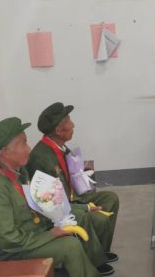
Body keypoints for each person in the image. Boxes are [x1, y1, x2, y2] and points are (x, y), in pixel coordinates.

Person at [0, 117, 124, 277]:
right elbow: (8, 239)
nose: (28, 148)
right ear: (6, 152)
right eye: (23, 143)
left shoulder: (18, 172)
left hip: (31, 232)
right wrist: (51, 233)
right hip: (10, 251)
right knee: (69, 245)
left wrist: (69, 213)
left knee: (76, 222)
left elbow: (40, 201)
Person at [27, 102, 120, 263]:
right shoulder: (40, 158)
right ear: (58, 130)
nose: (73, 125)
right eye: (69, 121)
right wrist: (85, 207)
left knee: (110, 198)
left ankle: (101, 251)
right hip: (58, 208)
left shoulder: (61, 148)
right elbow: (50, 203)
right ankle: (95, 262)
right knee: (95, 218)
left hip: (73, 197)